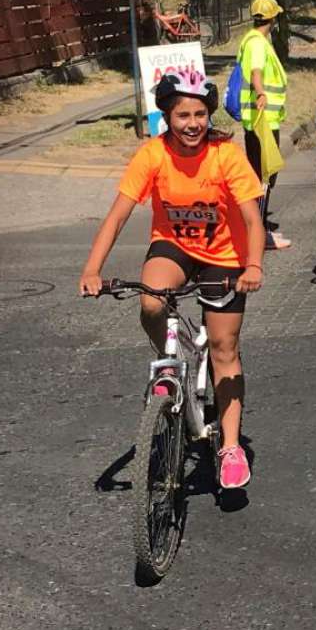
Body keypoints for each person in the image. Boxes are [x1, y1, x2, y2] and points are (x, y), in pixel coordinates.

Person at [79, 70, 265, 490]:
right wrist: (92, 269)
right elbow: (118, 215)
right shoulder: (153, 154)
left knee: (223, 348)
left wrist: (253, 266)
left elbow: (252, 218)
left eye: (200, 114)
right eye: (183, 114)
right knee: (150, 302)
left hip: (226, 256)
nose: (193, 123)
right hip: (174, 247)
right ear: (167, 114)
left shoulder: (225, 155)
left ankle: (230, 446)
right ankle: (172, 356)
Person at [237, 0, 290, 250]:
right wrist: (260, 93)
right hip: (261, 119)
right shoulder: (257, 43)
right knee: (263, 176)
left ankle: (259, 229)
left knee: (264, 174)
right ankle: (258, 233)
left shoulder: (254, 40)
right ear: (273, 18)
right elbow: (256, 72)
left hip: (263, 119)